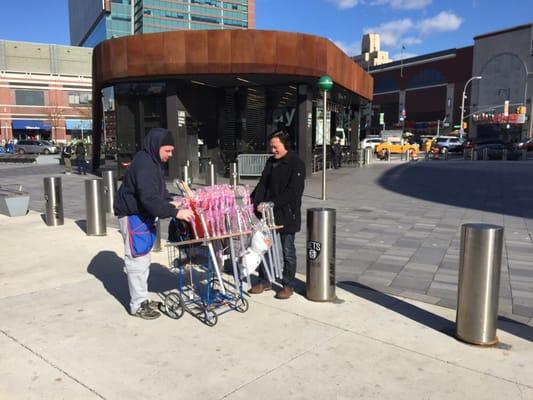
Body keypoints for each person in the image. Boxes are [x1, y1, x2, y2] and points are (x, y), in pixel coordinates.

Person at [114, 128, 194, 319]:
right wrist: (176, 212)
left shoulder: (152, 161)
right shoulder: (145, 165)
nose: (170, 154)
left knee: (143, 259)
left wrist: (171, 199)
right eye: (167, 150)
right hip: (133, 216)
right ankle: (137, 304)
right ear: (157, 146)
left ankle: (141, 298)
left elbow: (157, 192)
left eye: (172, 150)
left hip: (141, 216)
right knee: (137, 260)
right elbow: (149, 199)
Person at [249, 130, 305, 300]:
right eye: (271, 146)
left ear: (285, 144)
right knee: (264, 247)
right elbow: (263, 184)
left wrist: (273, 203)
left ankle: (288, 285)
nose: (272, 150)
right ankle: (264, 280)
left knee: (287, 250)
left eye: (275, 146)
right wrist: (252, 200)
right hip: (268, 214)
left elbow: (294, 191)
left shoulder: (296, 163)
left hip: (287, 213)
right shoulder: (271, 161)